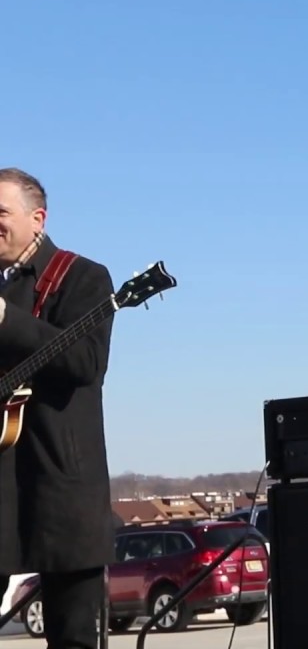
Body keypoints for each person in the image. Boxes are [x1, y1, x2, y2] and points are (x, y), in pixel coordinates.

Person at [0, 168, 116, 649]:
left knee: (73, 637)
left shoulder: (83, 277)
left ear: (37, 218)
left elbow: (87, 362)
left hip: (61, 487)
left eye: (0, 213)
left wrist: (7, 318)